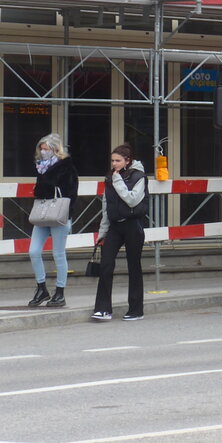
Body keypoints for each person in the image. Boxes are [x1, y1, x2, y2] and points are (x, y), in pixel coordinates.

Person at [92, 144, 149, 322]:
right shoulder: (110, 177)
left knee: (134, 266)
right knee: (106, 264)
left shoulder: (139, 177)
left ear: (127, 161)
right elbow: (106, 205)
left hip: (133, 225)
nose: (114, 163)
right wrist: (102, 231)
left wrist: (117, 182)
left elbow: (132, 200)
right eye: (112, 160)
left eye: (118, 160)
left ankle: (136, 309)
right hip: (115, 226)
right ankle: (102, 309)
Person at [27, 133, 78, 308]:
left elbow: (72, 192)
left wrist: (67, 215)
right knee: (33, 251)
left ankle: (60, 292)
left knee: (58, 253)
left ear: (55, 149)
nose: (42, 152)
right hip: (43, 214)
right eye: (41, 148)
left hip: (59, 214)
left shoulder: (66, 166)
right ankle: (41, 288)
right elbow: (39, 191)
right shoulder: (41, 167)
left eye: (46, 148)